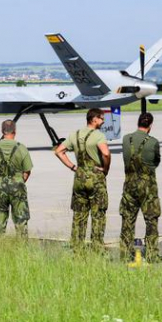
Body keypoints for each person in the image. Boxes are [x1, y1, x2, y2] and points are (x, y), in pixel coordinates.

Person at [55, 108, 111, 253]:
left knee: (79, 214)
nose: (103, 121)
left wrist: (73, 167)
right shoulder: (99, 135)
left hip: (79, 177)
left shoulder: (75, 134)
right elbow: (105, 153)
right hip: (95, 177)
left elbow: (59, 151)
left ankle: (77, 248)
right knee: (98, 214)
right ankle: (97, 248)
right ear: (94, 119)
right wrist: (105, 169)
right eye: (101, 118)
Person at [119, 112, 161, 262]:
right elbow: (156, 161)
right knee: (151, 220)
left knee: (127, 219)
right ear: (150, 126)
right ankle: (151, 254)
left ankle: (124, 253)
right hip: (148, 186)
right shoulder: (153, 142)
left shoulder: (126, 139)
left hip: (129, 184)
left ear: (138, 123)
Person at [0, 120, 33, 238]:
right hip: (18, 185)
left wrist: (0, 180)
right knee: (21, 221)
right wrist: (19, 180)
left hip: (0, 186)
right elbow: (27, 171)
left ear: (2, 131)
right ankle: (22, 249)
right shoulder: (21, 148)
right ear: (15, 132)